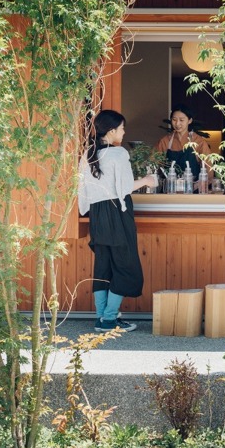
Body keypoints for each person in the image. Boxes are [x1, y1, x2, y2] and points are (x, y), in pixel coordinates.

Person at [79, 110, 158, 332]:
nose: (124, 132)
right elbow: (123, 188)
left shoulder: (88, 153)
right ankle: (109, 319)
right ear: (112, 131)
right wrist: (147, 180)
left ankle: (102, 318)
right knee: (126, 266)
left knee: (103, 267)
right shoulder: (118, 154)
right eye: (122, 128)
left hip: (97, 214)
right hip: (117, 213)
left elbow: (83, 190)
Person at [154, 104, 212, 187]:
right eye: (174, 120)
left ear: (189, 121)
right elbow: (154, 165)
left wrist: (197, 186)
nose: (177, 123)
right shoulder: (165, 141)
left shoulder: (199, 142)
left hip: (193, 191)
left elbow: (208, 170)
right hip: (170, 191)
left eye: (181, 120)